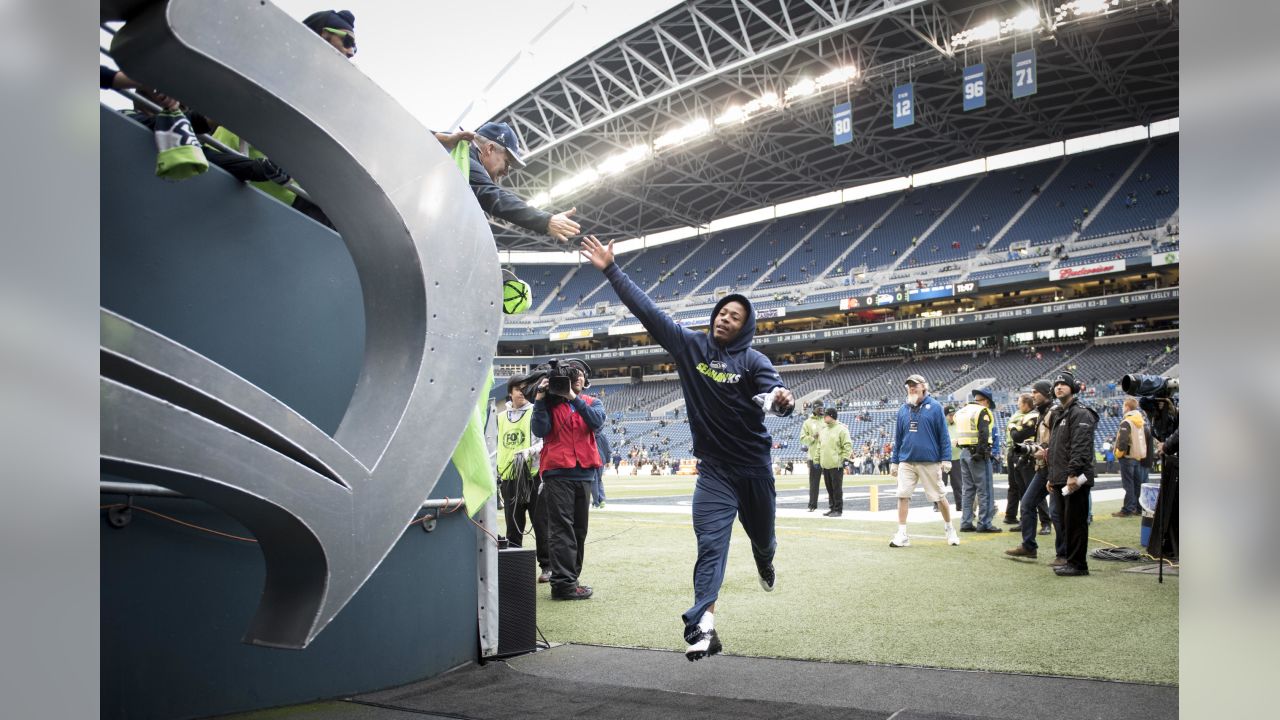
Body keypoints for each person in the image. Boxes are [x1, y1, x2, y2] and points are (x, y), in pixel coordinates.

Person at [579, 235, 795, 662]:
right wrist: (610, 268)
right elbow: (649, 312)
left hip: (753, 470)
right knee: (710, 545)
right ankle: (704, 625)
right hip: (714, 471)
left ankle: (764, 558)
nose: (725, 319)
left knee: (764, 539)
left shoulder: (753, 362)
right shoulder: (689, 345)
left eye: (735, 317)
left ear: (745, 327)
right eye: (722, 312)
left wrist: (780, 401)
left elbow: (777, 395)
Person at [433, 122, 581, 243]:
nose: (506, 171)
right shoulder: (467, 159)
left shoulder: (451, 151)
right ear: (490, 149)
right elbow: (493, 196)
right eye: (506, 162)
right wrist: (545, 220)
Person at [531, 364, 604, 600]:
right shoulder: (549, 405)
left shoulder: (592, 403)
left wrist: (573, 398)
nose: (579, 380)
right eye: (573, 378)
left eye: (582, 377)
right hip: (557, 472)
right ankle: (563, 585)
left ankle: (571, 580)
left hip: (583, 473)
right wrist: (541, 399)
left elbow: (596, 422)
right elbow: (540, 429)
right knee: (562, 529)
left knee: (578, 530)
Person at [888, 375, 960, 548]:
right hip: (907, 460)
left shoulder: (934, 407)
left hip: (929, 461)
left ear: (923, 387)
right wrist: (895, 461)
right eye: (909, 386)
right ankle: (902, 533)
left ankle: (949, 528)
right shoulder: (903, 409)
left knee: (939, 497)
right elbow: (898, 438)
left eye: (915, 385)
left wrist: (946, 458)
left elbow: (943, 434)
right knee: (902, 495)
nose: (912, 388)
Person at [493, 374, 550, 582]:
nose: (522, 393)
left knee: (540, 522)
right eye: (518, 389)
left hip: (532, 476)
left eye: (526, 389)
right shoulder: (499, 418)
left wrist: (528, 452)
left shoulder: (535, 412)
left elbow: (543, 442)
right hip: (509, 478)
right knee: (513, 524)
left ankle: (547, 567)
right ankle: (514, 568)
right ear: (510, 392)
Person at [1044, 372, 1099, 576]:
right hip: (1060, 478)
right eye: (1056, 384)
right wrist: (1052, 477)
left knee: (1075, 522)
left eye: (1063, 384)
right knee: (1065, 522)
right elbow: (1056, 448)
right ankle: (1070, 560)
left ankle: (1078, 565)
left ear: (1073, 388)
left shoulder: (1080, 413)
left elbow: (1081, 446)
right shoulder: (1060, 413)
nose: (1059, 387)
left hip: (1075, 478)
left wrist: (1073, 472)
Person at [1006, 381, 1066, 561]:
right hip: (1043, 468)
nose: (1032, 395)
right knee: (1026, 504)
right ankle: (1028, 546)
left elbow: (1059, 441)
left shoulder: (1054, 413)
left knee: (1057, 512)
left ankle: (1063, 554)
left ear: (1046, 393)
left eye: (1035, 392)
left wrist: (1045, 451)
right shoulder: (1043, 413)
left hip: (1054, 468)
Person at [954, 387, 1002, 533]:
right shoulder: (982, 411)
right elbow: (983, 432)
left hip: (964, 453)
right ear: (986, 401)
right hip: (978, 454)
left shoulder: (961, 412)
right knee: (984, 489)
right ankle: (985, 523)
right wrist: (981, 452)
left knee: (968, 490)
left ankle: (966, 522)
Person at [1112, 397, 1150, 517]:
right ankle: (1138, 509)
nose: (1123, 408)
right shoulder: (1140, 421)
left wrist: (1119, 452)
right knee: (1136, 484)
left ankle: (1127, 509)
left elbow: (1123, 441)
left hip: (1127, 457)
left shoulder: (1127, 421)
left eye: (1124, 406)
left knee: (1128, 485)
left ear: (1127, 407)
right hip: (1137, 456)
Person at [1003, 393, 1037, 525]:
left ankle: (1012, 515)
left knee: (1015, 486)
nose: (1017, 404)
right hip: (1019, 451)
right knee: (1023, 486)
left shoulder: (1019, 416)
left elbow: (1016, 434)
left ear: (1025, 404)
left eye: (1019, 402)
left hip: (1016, 451)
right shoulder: (1024, 416)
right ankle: (1022, 517)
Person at [817, 408, 852, 517]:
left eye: (826, 415)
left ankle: (838, 509)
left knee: (837, 488)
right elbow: (819, 446)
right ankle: (832, 508)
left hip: (836, 464)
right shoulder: (823, 430)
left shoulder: (842, 429)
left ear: (831, 416)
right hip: (825, 464)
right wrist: (817, 459)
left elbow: (847, 445)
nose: (824, 417)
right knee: (829, 488)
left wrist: (844, 458)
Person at [799, 404, 826, 512]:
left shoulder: (826, 420)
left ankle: (834, 506)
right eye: (819, 408)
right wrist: (812, 437)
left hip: (828, 456)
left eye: (822, 408)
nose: (822, 410)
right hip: (814, 457)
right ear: (814, 409)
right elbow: (802, 439)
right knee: (814, 483)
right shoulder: (807, 423)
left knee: (833, 482)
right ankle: (812, 505)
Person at [943, 405, 963, 512]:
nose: (952, 417)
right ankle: (938, 506)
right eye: (950, 415)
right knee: (941, 484)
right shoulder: (941, 426)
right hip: (943, 459)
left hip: (956, 458)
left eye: (953, 414)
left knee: (958, 484)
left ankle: (960, 505)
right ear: (945, 416)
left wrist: (959, 442)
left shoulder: (959, 425)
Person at [592, 414, 611, 509]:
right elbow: (607, 449)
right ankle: (602, 500)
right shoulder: (603, 435)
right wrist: (607, 460)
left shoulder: (590, 434)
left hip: (591, 460)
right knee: (599, 480)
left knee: (593, 481)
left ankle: (596, 502)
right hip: (601, 461)